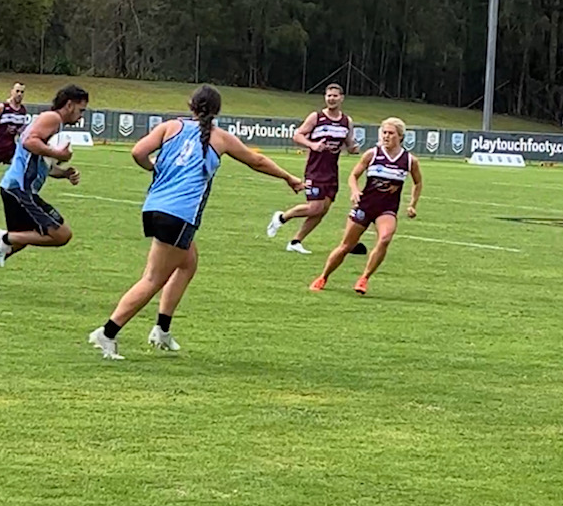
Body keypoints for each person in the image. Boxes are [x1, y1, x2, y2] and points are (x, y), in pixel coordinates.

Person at [87, 85, 305, 360]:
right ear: (217, 111)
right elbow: (257, 161)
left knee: (188, 262)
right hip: (180, 214)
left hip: (154, 207)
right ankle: (107, 333)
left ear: (191, 105)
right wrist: (288, 177)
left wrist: (154, 168)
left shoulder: (170, 127)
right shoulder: (220, 138)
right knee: (153, 278)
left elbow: (138, 152)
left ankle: (162, 330)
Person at [0, 84, 88, 298]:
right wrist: (57, 153)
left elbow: (40, 163)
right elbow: (29, 142)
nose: (82, 115)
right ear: (69, 104)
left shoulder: (53, 123)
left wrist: (64, 173)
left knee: (23, 239)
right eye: (81, 110)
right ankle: (5, 238)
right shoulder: (52, 119)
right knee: (61, 234)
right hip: (19, 189)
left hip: (17, 189)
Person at [310, 118, 423, 296]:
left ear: (400, 136)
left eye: (390, 133)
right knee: (346, 246)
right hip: (365, 206)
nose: (386, 136)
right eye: (384, 132)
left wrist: (412, 205)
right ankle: (323, 277)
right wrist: (354, 191)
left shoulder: (409, 160)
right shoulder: (372, 154)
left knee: (385, 238)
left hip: (386, 209)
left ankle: (364, 278)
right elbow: (353, 175)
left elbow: (418, 182)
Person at [267, 83, 363, 254]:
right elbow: (297, 135)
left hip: (332, 172)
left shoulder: (346, 121)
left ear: (341, 98)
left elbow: (349, 144)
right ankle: (281, 217)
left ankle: (296, 241)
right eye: (328, 96)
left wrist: (354, 149)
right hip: (315, 169)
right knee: (314, 207)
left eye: (335, 96)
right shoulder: (316, 117)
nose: (331, 99)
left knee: (322, 210)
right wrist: (312, 144)